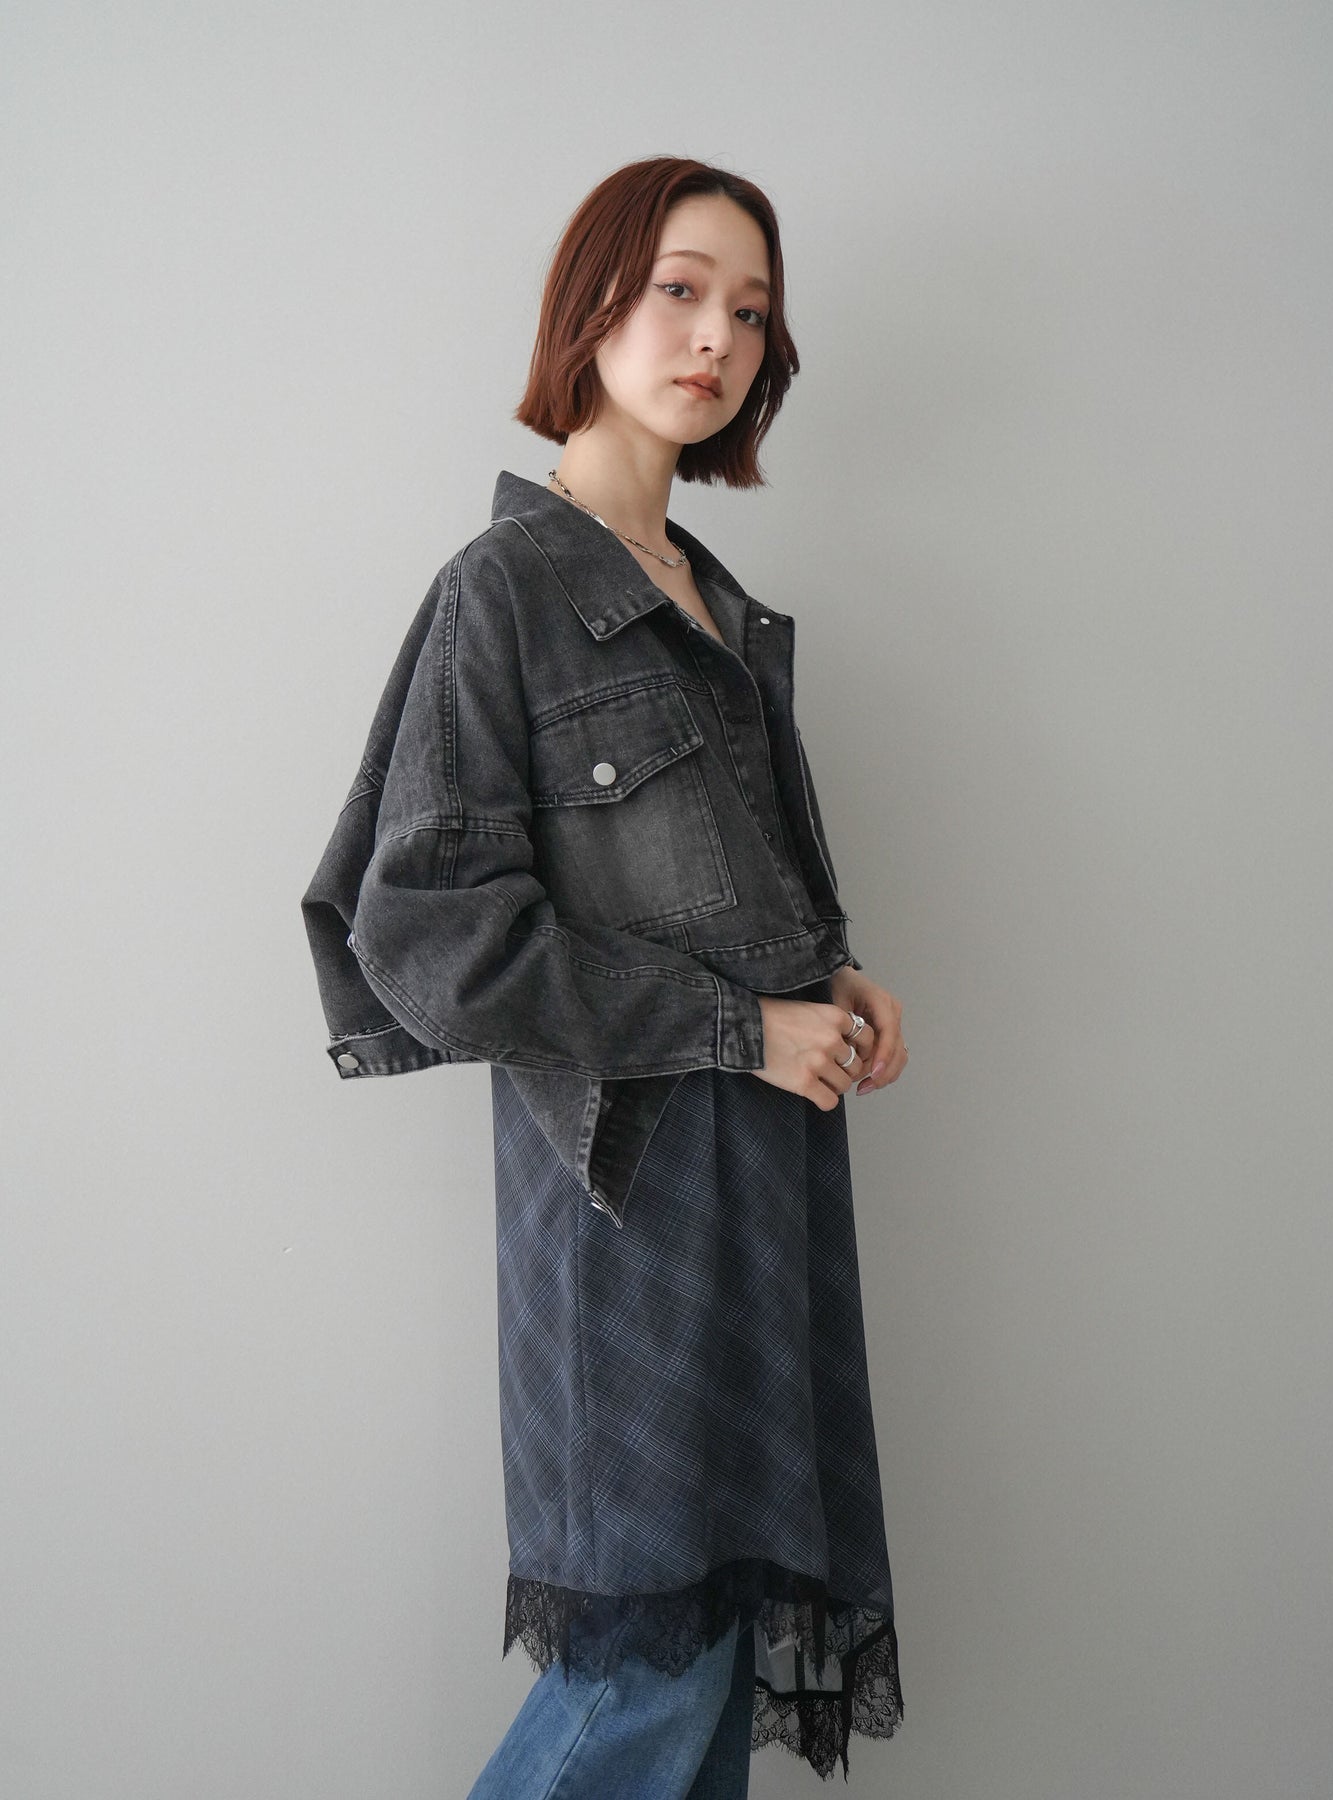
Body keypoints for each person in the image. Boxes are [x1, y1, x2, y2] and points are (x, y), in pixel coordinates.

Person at [300, 155, 908, 1795]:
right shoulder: (502, 592)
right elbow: (428, 933)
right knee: (643, 1669)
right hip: (624, 1211)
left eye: (751, 313)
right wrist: (738, 1025)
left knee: (709, 1673)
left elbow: (713, 884)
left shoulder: (716, 601)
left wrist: (836, 978)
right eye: (680, 291)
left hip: (763, 1190)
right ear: (593, 306)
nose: (718, 338)